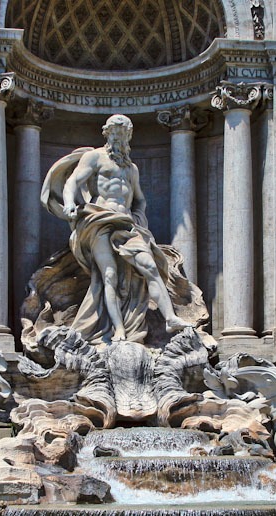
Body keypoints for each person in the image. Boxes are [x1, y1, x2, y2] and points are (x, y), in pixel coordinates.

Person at [40, 114, 191, 344]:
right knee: (108, 275)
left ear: (129, 136)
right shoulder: (94, 157)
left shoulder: (131, 168)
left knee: (149, 266)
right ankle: (118, 329)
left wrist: (140, 219)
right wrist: (69, 203)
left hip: (127, 223)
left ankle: (170, 318)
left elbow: (139, 199)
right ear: (106, 134)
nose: (119, 137)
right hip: (98, 219)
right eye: (115, 133)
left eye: (123, 133)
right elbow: (72, 182)